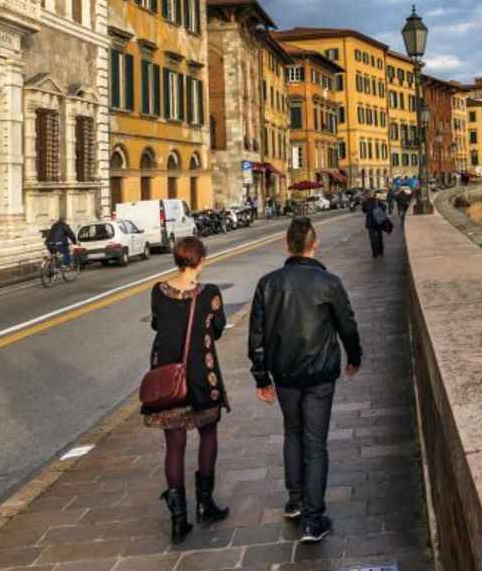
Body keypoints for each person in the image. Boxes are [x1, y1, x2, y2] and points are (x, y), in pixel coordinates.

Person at [249, 218, 362, 544]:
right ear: (315, 244)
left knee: (292, 432)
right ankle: (314, 519)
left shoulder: (267, 284)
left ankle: (296, 501)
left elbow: (256, 335)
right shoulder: (329, 282)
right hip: (320, 374)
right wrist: (354, 358)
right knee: (315, 441)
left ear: (287, 245)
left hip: (284, 374)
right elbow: (348, 325)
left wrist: (261, 377)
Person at [144, 236, 230, 545]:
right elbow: (217, 329)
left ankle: (178, 520)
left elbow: (157, 324)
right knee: (208, 434)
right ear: (201, 261)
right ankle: (205, 503)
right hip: (201, 376)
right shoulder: (210, 294)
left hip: (168, 378)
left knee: (174, 445)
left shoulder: (158, 291)